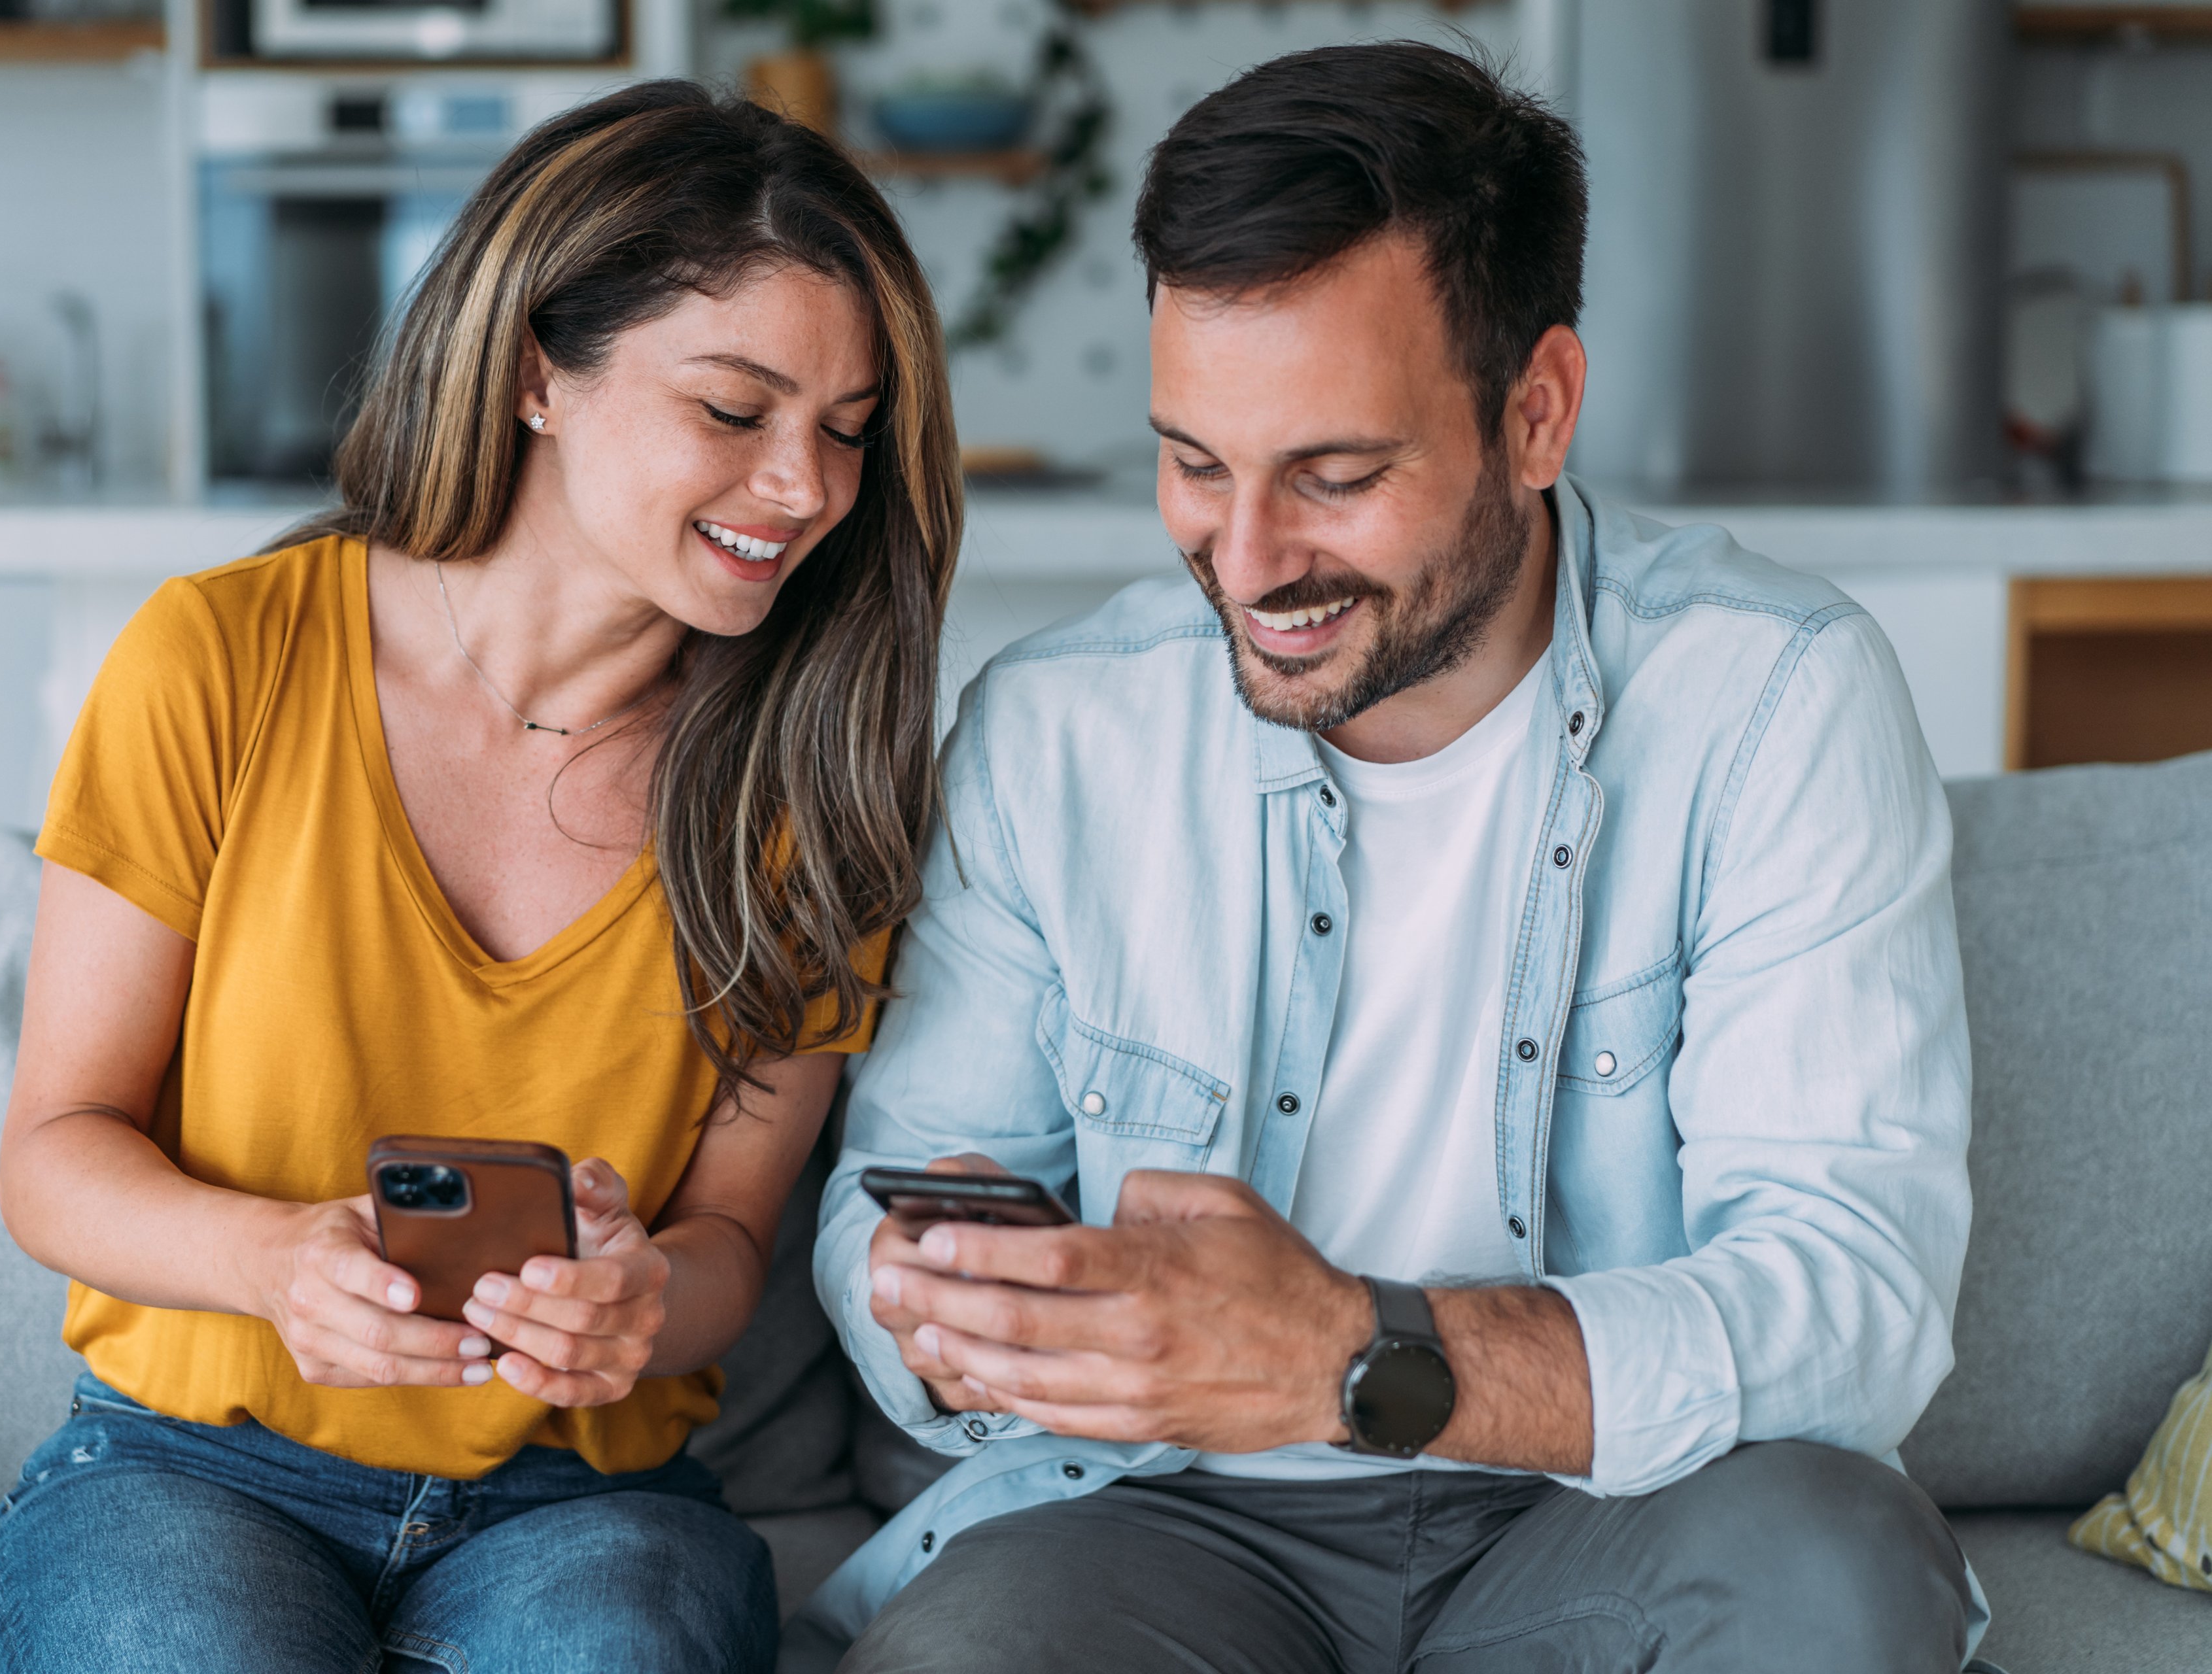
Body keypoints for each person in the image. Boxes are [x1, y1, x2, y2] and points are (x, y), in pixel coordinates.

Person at [800, 43, 1984, 1673]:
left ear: (1538, 412)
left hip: (1606, 1497)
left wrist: (1357, 1357)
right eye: (1196, 464)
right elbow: (891, 1205)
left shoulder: (1774, 696)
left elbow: (1852, 1306)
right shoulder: (1055, 732)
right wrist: (955, 1314)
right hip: (1159, 1518)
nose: (1250, 558)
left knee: (1835, 1568)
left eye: (1337, 476)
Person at [0, 82, 959, 1674]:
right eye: (735, 410)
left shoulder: (814, 792)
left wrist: (644, 1302)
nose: (808, 488)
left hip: (584, 1504)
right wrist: (275, 1261)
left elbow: (725, 1241)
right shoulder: (218, 658)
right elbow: (52, 1156)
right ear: (535, 375)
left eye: (847, 431)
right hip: (185, 1469)